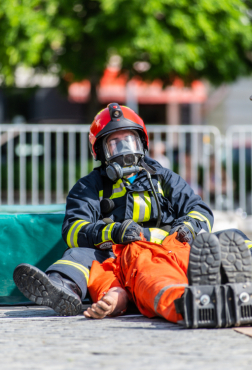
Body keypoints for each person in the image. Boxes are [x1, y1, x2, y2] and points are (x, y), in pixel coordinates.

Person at [11, 103, 240, 319]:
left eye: (129, 141)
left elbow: (199, 209)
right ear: (100, 151)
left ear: (142, 143)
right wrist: (113, 232)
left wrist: (189, 228)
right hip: (115, 254)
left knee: (230, 239)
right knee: (77, 255)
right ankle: (62, 289)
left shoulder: (163, 177)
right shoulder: (88, 186)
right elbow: (73, 230)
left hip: (169, 246)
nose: (124, 150)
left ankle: (237, 273)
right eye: (115, 143)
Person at [84, 230, 252, 328]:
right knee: (161, 281)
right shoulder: (122, 254)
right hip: (148, 261)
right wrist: (112, 299)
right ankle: (192, 303)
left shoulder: (178, 237)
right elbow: (109, 285)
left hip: (180, 250)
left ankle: (226, 294)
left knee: (203, 266)